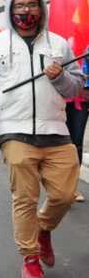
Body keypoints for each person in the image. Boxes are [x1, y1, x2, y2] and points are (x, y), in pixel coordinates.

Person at [0, 0, 88, 278]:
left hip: (56, 131)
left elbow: (77, 88)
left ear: (42, 9)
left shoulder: (59, 45)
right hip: (15, 132)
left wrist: (61, 77)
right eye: (20, 6)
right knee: (24, 198)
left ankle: (44, 228)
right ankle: (30, 259)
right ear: (11, 10)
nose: (26, 11)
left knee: (64, 195)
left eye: (32, 5)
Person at [65, 52, 89, 202]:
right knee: (59, 143)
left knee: (76, 143)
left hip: (81, 100)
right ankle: (57, 184)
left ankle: (72, 187)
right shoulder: (57, 43)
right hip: (57, 98)